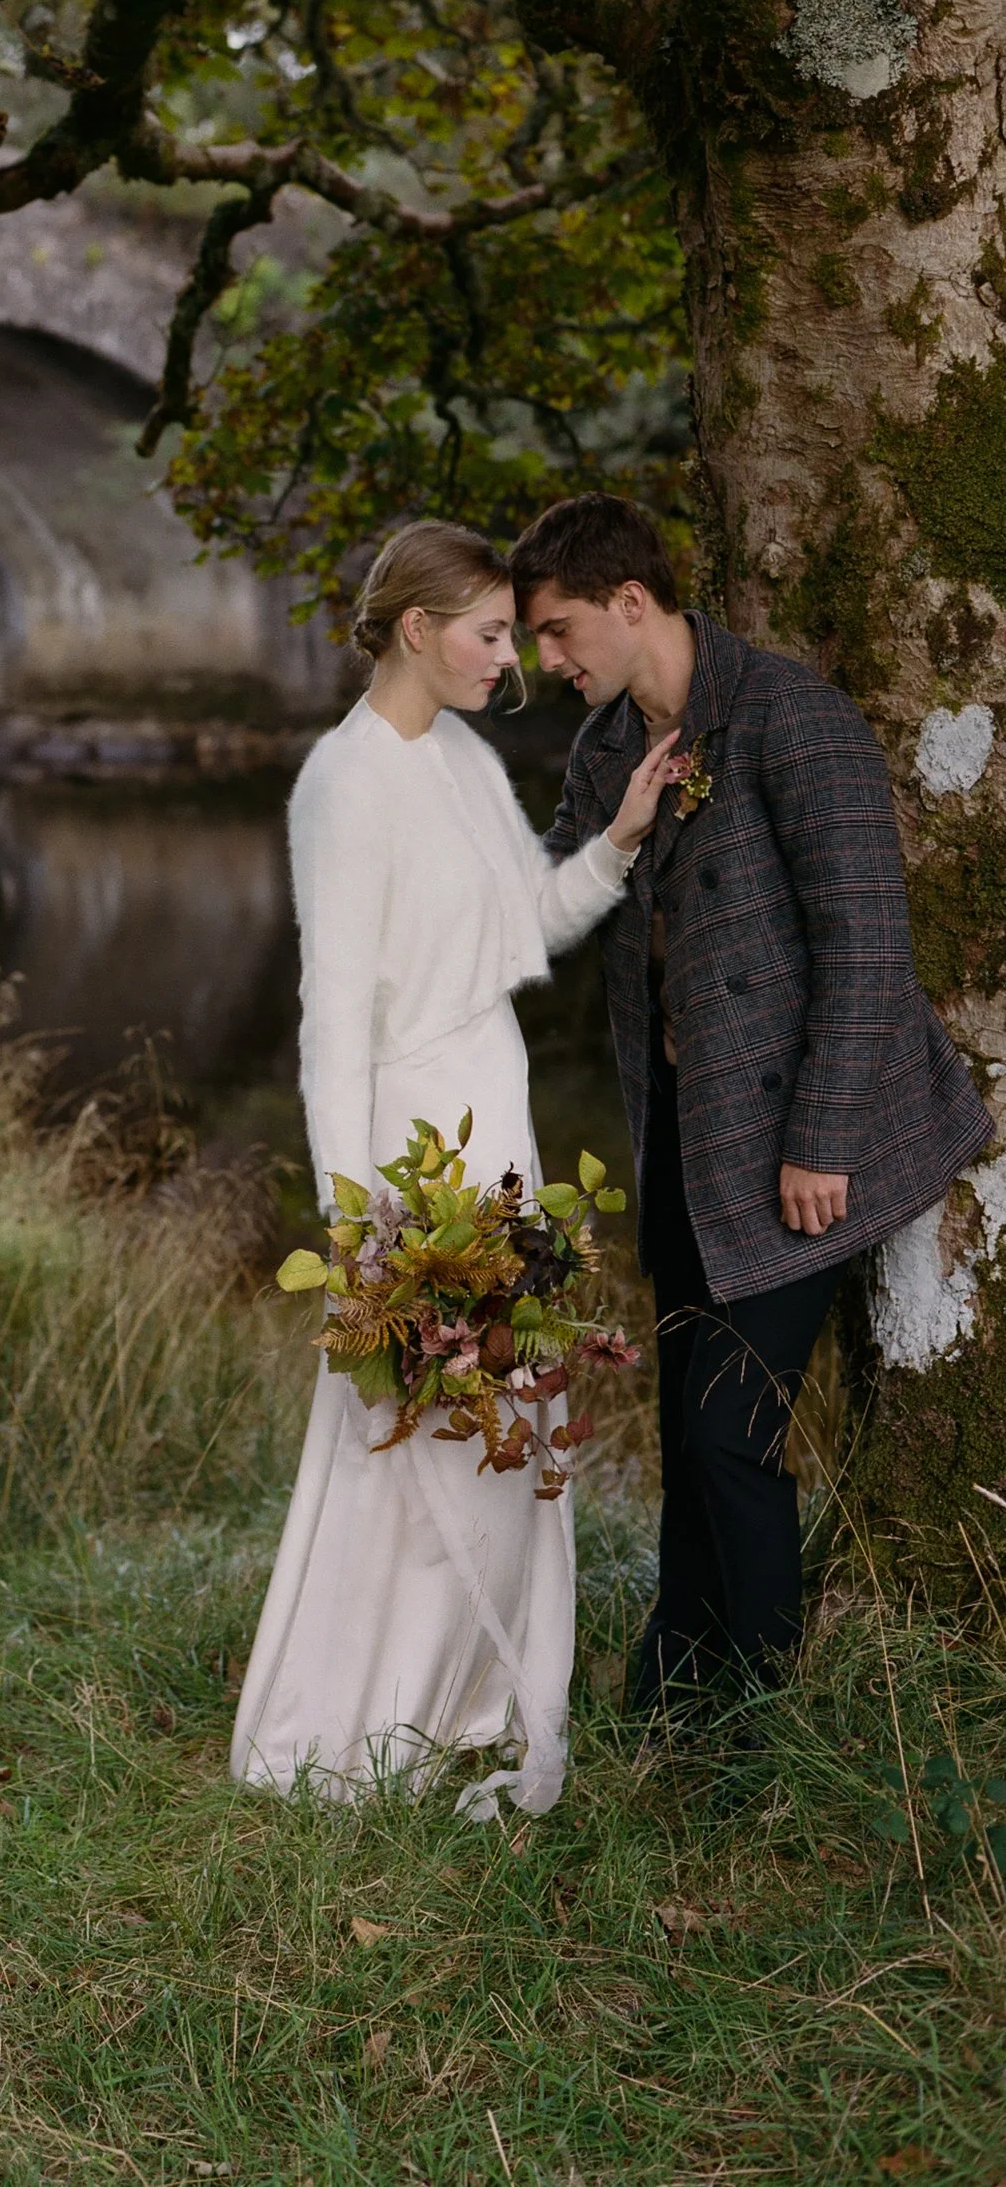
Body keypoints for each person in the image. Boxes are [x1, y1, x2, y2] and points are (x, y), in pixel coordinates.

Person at [511, 492, 995, 1715]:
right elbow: (552, 891)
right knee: (689, 1424)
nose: (549, 660)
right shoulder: (609, 747)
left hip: (805, 1143)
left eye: (560, 631)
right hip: (685, 1134)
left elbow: (864, 945)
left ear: (632, 602)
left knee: (729, 1432)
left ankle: (760, 1712)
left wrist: (820, 1135)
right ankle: (676, 1684)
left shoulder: (792, 718)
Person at [231, 522, 677, 1818]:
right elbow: (330, 1023)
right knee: (418, 1430)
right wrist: (354, 1218)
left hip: (494, 1124)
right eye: (488, 634)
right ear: (415, 631)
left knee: (502, 1420)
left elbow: (523, 928)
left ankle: (476, 1694)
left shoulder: (468, 765)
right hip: (409, 1147)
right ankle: (375, 1713)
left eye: (514, 634)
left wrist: (621, 837)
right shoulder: (342, 783)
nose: (508, 658)